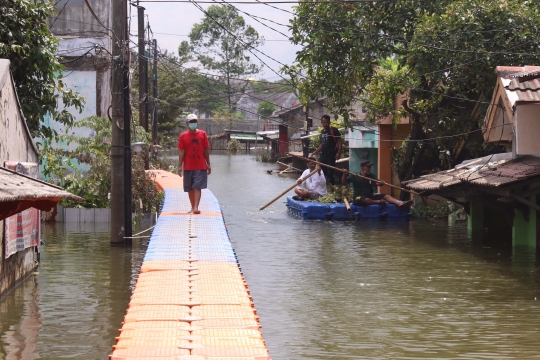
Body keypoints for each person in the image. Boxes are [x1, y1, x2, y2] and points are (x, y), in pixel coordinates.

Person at [178, 114, 211, 214]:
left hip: (200, 165)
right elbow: (181, 151)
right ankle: (192, 207)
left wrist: (208, 163)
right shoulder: (183, 136)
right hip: (188, 166)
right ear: (187, 123)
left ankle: (196, 207)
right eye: (191, 122)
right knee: (190, 187)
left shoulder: (202, 134)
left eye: (195, 122)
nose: (193, 124)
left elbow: (206, 149)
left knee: (197, 186)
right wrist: (180, 166)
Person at [341, 160, 412, 207]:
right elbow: (344, 182)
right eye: (368, 167)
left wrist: (380, 183)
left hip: (370, 196)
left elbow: (377, 183)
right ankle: (378, 202)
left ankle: (399, 203)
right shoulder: (354, 175)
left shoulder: (371, 176)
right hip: (358, 197)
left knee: (386, 196)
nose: (370, 168)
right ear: (363, 168)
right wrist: (344, 174)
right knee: (365, 200)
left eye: (370, 167)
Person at [310, 115, 341, 185]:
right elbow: (322, 144)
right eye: (323, 122)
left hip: (331, 155)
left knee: (330, 174)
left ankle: (333, 190)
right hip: (323, 155)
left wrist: (339, 152)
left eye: (326, 122)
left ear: (329, 122)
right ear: (321, 122)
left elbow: (339, 141)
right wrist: (315, 151)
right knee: (321, 173)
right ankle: (324, 190)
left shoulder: (333, 130)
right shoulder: (322, 132)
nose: (325, 124)